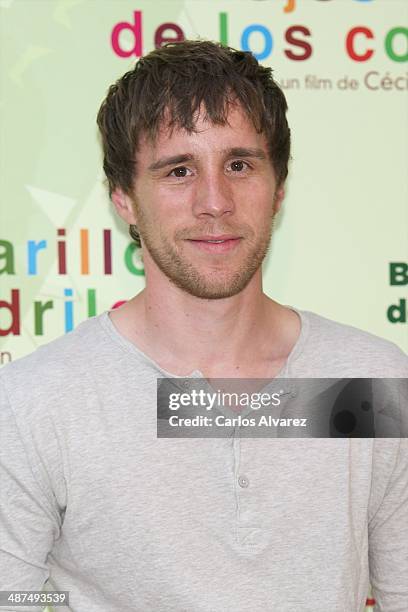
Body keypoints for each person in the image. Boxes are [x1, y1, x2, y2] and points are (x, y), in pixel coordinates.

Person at [0, 40, 407, 612]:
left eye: (239, 165)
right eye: (179, 170)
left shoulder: (374, 382)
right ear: (124, 199)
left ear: (279, 189)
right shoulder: (34, 402)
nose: (214, 201)